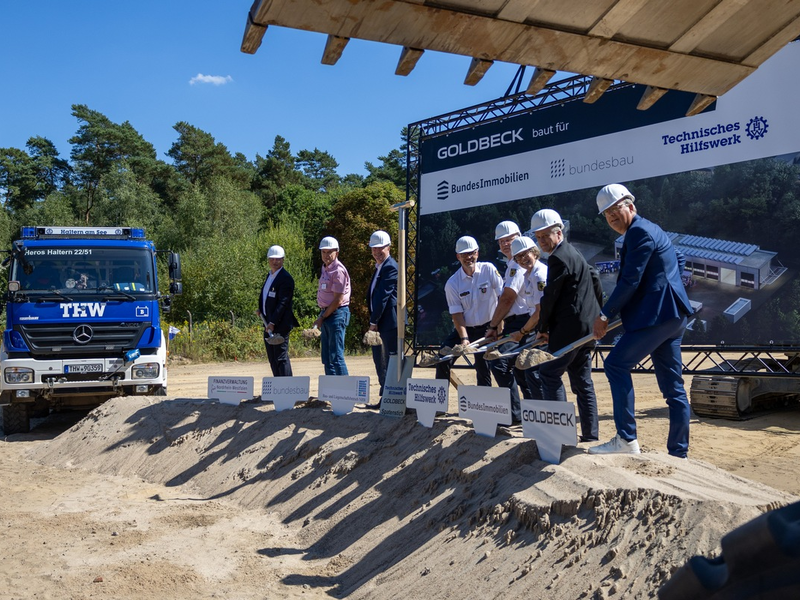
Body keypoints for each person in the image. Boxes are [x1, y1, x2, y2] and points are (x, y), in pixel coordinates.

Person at [589, 184, 693, 457]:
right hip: (672, 317)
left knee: (614, 364)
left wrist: (604, 315)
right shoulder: (651, 228)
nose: (611, 218)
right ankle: (679, 453)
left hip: (657, 319)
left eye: (615, 210)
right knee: (674, 389)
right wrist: (665, 285)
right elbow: (678, 259)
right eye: (607, 214)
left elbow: (629, 281)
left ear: (630, 206)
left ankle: (626, 440)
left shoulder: (638, 232)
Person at [532, 208, 604, 443]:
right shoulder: (574, 252)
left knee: (549, 372)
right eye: (538, 237)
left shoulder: (558, 257)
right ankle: (591, 435)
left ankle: (560, 435)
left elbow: (550, 297)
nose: (542, 241)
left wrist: (542, 329)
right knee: (582, 381)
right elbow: (594, 278)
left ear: (559, 232)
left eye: (546, 236)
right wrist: (597, 314)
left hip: (569, 331)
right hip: (586, 330)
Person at [435, 235, 503, 389]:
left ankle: (484, 405)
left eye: (471, 253)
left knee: (483, 367)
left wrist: (498, 328)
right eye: (464, 254)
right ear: (458, 256)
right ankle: (439, 405)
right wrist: (464, 338)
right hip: (466, 329)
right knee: (443, 358)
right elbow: (456, 314)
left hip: (489, 328)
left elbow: (502, 299)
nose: (468, 257)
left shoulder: (489, 269)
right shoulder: (452, 283)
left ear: (477, 253)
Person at [484, 221, 528, 420]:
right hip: (515, 322)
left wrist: (493, 325)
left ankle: (516, 414)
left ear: (519, 237)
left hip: (524, 322)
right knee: (520, 369)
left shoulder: (517, 265)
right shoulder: (511, 265)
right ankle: (526, 413)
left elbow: (508, 298)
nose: (505, 244)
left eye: (509, 239)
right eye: (501, 241)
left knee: (500, 364)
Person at [507, 235, 548, 400]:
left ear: (534, 252)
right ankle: (537, 412)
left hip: (546, 329)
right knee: (529, 369)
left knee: (533, 370)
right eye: (519, 257)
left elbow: (540, 311)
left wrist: (522, 332)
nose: (523, 259)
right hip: (538, 328)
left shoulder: (539, 275)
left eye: (526, 254)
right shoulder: (527, 276)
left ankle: (543, 413)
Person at [258, 245, 299, 377]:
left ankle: (288, 389)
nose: (275, 261)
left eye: (278, 259)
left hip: (279, 325)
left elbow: (283, 303)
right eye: (272, 259)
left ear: (283, 260)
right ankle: (277, 389)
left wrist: (273, 322)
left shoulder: (285, 278)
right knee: (273, 359)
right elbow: (266, 297)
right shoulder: (269, 276)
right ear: (268, 260)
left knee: (281, 358)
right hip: (267, 324)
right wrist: (262, 311)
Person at [366, 230, 398, 399]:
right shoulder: (380, 267)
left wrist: (373, 321)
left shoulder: (390, 267)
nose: (377, 252)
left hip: (388, 322)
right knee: (379, 361)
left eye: (380, 248)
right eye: (374, 249)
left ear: (389, 247)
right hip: (380, 322)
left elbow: (382, 297)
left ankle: (391, 398)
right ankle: (385, 396)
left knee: (388, 362)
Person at [314, 236, 351, 376]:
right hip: (327, 314)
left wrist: (322, 317)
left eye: (330, 252)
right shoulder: (325, 268)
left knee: (336, 357)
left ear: (337, 252)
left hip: (336, 313)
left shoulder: (338, 271)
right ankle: (331, 392)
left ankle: (346, 393)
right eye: (324, 252)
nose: (326, 255)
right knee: (327, 358)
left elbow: (338, 300)